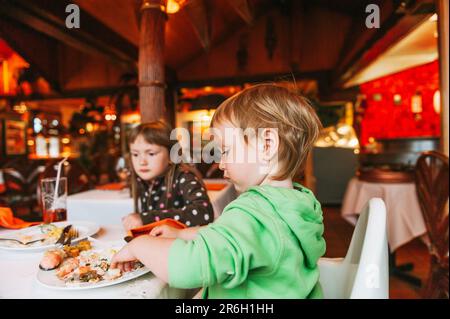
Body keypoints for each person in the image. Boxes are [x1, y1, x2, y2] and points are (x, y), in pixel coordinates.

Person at [112, 84, 326, 298]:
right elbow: (230, 235)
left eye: (226, 150)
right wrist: (182, 233)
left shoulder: (254, 212)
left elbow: (190, 267)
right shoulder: (293, 204)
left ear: (267, 145)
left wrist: (139, 245)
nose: (221, 163)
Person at [121, 121, 214, 230]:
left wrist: (147, 218)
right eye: (135, 154)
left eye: (151, 153)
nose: (142, 161)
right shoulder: (143, 180)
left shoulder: (183, 176)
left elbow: (204, 211)